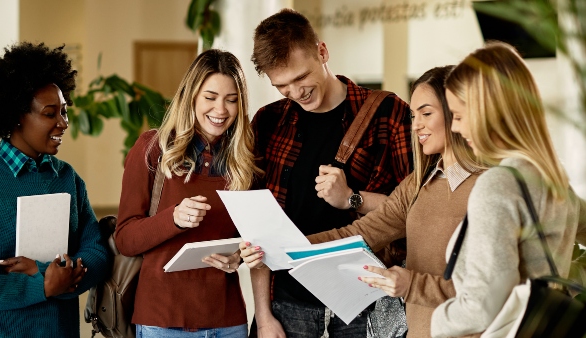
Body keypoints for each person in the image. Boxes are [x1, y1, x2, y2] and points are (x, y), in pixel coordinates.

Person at [238, 8, 414, 338]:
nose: (296, 93)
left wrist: (352, 198)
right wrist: (262, 314)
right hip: (288, 304)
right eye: (282, 86)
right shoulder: (268, 122)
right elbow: (258, 229)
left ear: (322, 52)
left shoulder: (388, 114)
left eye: (301, 77)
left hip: (367, 304)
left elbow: (415, 210)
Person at [287, 66, 487, 338]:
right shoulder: (417, 185)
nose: (416, 125)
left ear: (457, 112)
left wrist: (411, 285)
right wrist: (284, 248)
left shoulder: (490, 187)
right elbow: (358, 235)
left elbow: (489, 289)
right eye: (414, 115)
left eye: (426, 113)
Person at [0, 42, 112, 338]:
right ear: (18, 115)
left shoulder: (68, 178)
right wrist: (45, 284)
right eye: (50, 114)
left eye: (64, 111)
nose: (63, 123)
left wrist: (53, 273)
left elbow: (97, 251)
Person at [430, 42, 586, 337]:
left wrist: (439, 322)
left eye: (459, 116)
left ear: (490, 112)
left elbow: (483, 305)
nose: (455, 129)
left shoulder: (499, 184)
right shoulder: (552, 177)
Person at [114, 49, 262, 338]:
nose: (221, 110)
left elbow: (252, 237)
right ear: (190, 96)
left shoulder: (245, 160)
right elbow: (125, 240)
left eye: (231, 100)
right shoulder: (152, 149)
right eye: (210, 97)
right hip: (163, 320)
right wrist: (174, 218)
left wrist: (239, 258)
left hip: (228, 321)